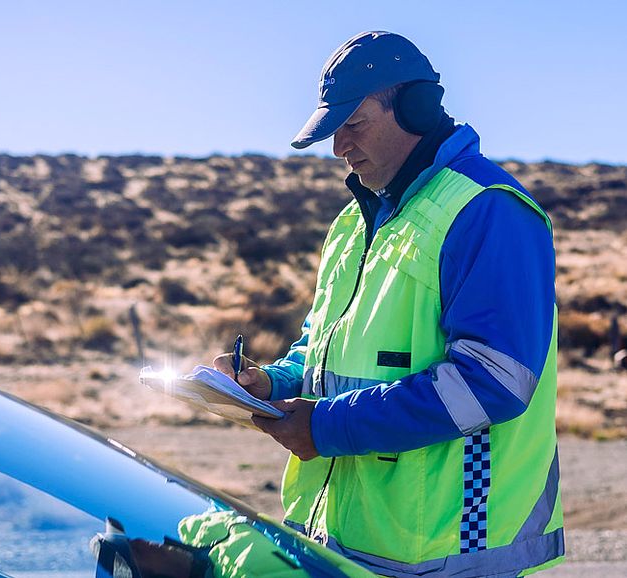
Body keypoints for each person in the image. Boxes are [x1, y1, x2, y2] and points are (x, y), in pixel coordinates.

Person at [214, 31, 563, 577]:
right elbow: (324, 349)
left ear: (416, 108)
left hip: (455, 552)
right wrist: (273, 383)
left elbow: (494, 381)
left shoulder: (489, 210)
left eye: (353, 124)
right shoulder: (355, 222)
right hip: (346, 541)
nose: (339, 148)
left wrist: (325, 428)